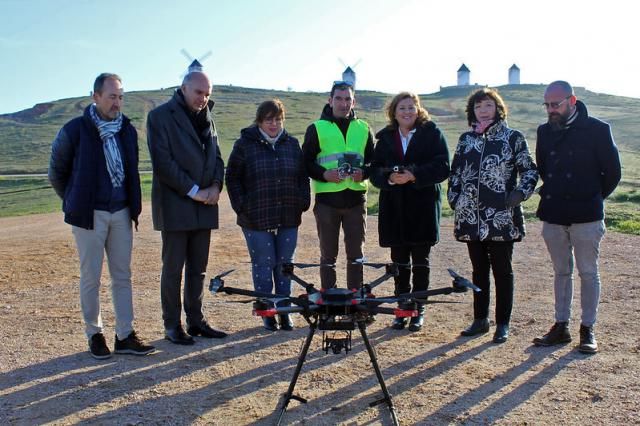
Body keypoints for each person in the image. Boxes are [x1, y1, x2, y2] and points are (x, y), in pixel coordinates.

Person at [48, 73, 155, 359]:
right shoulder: (75, 130)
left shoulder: (127, 131)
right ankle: (94, 334)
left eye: (120, 96)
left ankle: (125, 335)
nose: (117, 102)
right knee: (91, 277)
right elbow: (57, 172)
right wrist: (74, 200)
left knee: (122, 275)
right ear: (95, 97)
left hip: (120, 211)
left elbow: (131, 171)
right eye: (111, 97)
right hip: (89, 215)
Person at [533, 81, 621, 354]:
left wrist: (591, 196)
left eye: (555, 104)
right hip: (555, 213)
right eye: (547, 105)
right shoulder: (544, 131)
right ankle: (561, 326)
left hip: (587, 215)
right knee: (561, 272)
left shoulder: (598, 130)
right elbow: (545, 169)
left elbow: (612, 173)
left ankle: (587, 329)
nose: (550, 110)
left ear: (572, 101)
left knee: (588, 272)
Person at [448, 87, 538, 344]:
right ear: (472, 111)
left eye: (488, 105)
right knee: (478, 270)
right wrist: (455, 199)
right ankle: (480, 320)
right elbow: (455, 173)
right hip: (470, 216)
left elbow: (530, 170)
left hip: (501, 216)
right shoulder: (466, 139)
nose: (483, 110)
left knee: (502, 270)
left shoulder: (513, 138)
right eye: (478, 106)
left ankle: (503, 323)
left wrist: (519, 194)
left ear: (498, 108)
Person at [147, 71, 227, 345]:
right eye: (198, 93)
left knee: (198, 269)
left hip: (205, 204)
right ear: (183, 88)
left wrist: (216, 185)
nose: (203, 99)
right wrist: (194, 191)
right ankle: (172, 325)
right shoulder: (159, 117)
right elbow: (163, 163)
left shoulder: (209, 117)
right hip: (176, 205)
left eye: (207, 94)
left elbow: (217, 156)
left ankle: (196, 320)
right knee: (173, 269)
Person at [225, 99, 310, 331]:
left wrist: (304, 200)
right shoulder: (244, 144)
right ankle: (266, 310)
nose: (274, 124)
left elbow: (303, 175)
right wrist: (242, 206)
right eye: (269, 120)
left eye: (278, 119)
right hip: (256, 216)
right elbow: (232, 177)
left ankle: (284, 309)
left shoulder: (292, 144)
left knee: (285, 264)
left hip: (288, 214)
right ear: (260, 121)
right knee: (264, 263)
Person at [370, 92, 450, 332]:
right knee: (399, 262)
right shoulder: (384, 138)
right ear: (394, 112)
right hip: (395, 209)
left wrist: (415, 174)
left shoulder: (432, 134)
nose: (406, 112)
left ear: (418, 109)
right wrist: (390, 177)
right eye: (402, 108)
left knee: (421, 262)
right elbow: (374, 171)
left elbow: (443, 166)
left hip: (422, 208)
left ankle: (418, 309)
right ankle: (401, 308)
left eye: (411, 107)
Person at [302, 81, 374, 290]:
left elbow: (374, 162)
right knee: (328, 256)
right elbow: (305, 162)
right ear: (330, 100)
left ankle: (355, 299)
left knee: (356, 256)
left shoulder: (364, 128)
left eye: (348, 99)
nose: (343, 104)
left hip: (356, 201)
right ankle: (329, 299)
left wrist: (365, 172)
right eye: (339, 98)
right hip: (327, 202)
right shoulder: (316, 128)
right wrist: (324, 174)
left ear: (354, 101)